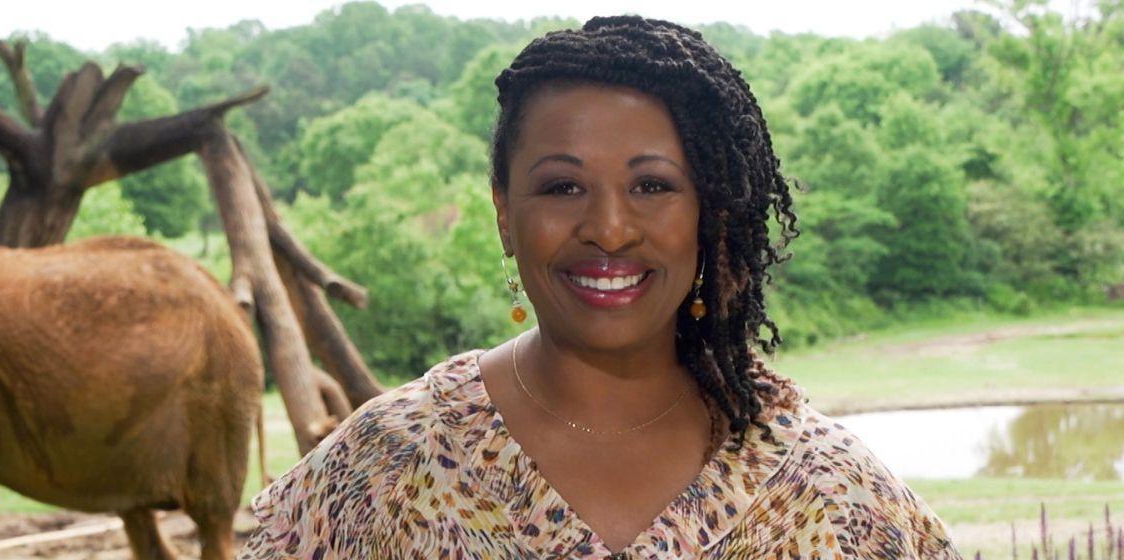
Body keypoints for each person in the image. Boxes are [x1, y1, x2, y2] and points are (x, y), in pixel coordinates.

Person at [240, 16, 961, 559]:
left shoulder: (826, 495)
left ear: (711, 212)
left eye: (653, 185)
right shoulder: (391, 468)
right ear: (503, 215)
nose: (609, 229)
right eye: (562, 186)